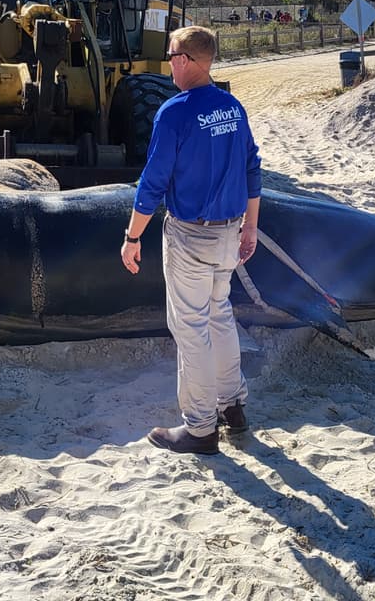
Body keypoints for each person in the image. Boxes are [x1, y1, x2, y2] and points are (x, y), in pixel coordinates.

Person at [121, 25, 262, 455]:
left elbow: (153, 183)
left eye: (171, 56)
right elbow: (252, 169)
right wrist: (251, 227)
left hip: (190, 236)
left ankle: (200, 428)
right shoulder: (233, 108)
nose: (168, 63)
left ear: (186, 61)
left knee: (190, 329)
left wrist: (132, 236)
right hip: (229, 233)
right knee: (219, 316)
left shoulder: (175, 113)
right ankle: (232, 406)